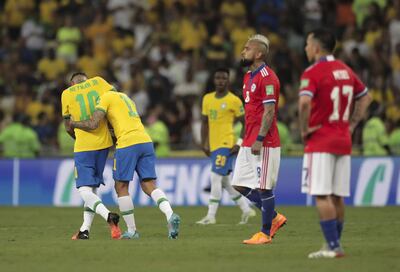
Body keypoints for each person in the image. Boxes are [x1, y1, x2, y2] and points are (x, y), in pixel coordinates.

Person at [68, 89, 181, 239]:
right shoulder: (127, 98)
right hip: (145, 140)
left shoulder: (106, 97)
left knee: (121, 186)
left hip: (127, 143)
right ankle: (170, 214)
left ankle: (132, 230)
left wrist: (73, 123)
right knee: (149, 184)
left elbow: (94, 123)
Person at [298, 28, 371, 258]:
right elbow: (366, 97)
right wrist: (351, 124)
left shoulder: (312, 72)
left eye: (308, 44)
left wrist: (303, 130)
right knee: (337, 195)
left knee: (321, 195)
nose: (306, 48)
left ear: (317, 47)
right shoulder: (345, 69)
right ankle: (333, 244)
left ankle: (333, 246)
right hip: (343, 140)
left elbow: (303, 104)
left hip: (320, 140)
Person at [231, 34, 287, 245]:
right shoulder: (248, 77)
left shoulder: (268, 77)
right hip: (248, 141)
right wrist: (243, 139)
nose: (243, 52)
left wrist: (260, 138)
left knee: (264, 188)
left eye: (247, 48)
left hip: (265, 142)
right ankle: (274, 217)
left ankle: (265, 233)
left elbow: (269, 110)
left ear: (259, 53)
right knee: (238, 184)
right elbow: (250, 113)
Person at [61, 72, 121, 240]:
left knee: (83, 189)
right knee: (92, 189)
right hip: (104, 146)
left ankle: (109, 216)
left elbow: (67, 126)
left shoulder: (67, 93)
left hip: (84, 147)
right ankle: (84, 230)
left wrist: (77, 137)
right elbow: (116, 98)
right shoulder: (99, 82)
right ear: (86, 80)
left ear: (73, 83)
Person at [196, 67, 256, 225]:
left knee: (215, 178)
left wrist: (239, 143)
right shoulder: (207, 99)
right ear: (214, 80)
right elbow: (204, 123)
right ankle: (247, 210)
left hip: (226, 144)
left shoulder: (234, 100)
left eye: (224, 78)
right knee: (225, 182)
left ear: (228, 80)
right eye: (218, 78)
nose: (221, 81)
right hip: (214, 145)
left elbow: (246, 123)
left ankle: (211, 216)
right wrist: (204, 143)